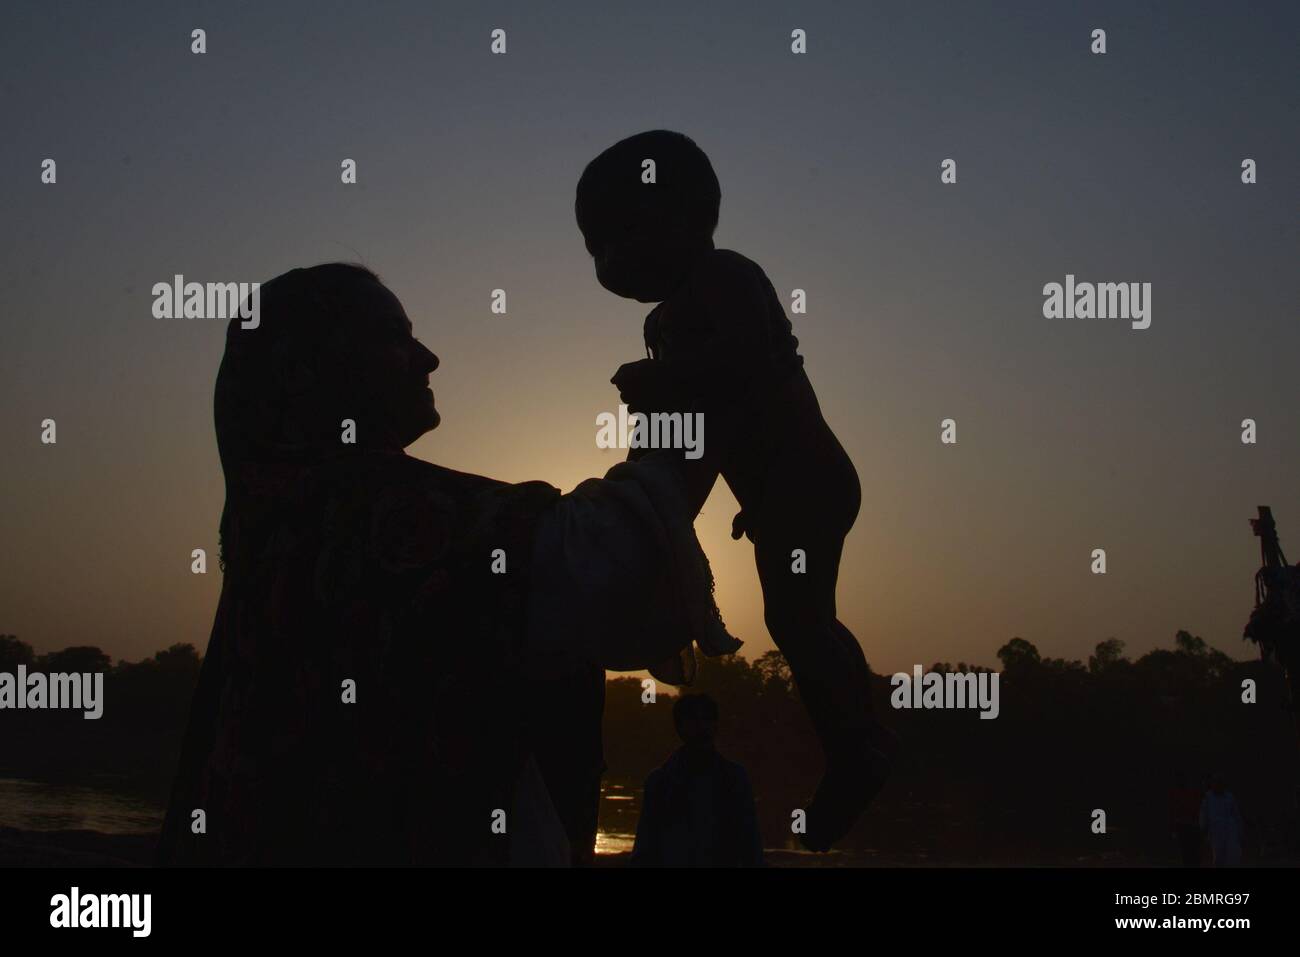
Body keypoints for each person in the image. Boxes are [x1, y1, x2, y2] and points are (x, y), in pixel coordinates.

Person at [157, 262, 735, 866]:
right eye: (393, 336)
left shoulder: (291, 516)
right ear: (307, 366)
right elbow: (615, 568)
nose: (428, 357)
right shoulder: (362, 513)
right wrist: (692, 401)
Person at [576, 130, 894, 851]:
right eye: (595, 250)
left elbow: (754, 362)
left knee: (799, 620)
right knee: (799, 617)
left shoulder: (724, 275)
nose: (608, 263)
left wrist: (662, 380)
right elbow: (707, 427)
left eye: (619, 238)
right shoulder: (666, 317)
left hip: (810, 483)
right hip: (776, 497)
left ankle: (859, 744)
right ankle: (855, 742)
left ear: (686, 216)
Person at [630, 693, 764, 867]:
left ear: (716, 725)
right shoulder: (660, 781)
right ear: (679, 726)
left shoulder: (735, 778)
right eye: (693, 720)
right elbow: (646, 844)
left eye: (707, 720)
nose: (701, 727)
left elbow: (750, 841)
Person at [1199, 774, 1244, 867]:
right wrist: (1203, 828)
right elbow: (1204, 814)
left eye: (1220, 783)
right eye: (1216, 783)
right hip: (1216, 831)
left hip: (1230, 831)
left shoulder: (1229, 797)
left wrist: (1240, 831)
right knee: (1218, 857)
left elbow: (1236, 815)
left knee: (1232, 856)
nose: (1218, 785)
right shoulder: (1208, 797)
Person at [1167, 769, 1203, 867]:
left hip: (1191, 826)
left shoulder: (1191, 793)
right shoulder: (1176, 794)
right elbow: (1174, 812)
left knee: (1192, 853)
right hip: (1184, 826)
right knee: (1187, 853)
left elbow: (1197, 809)